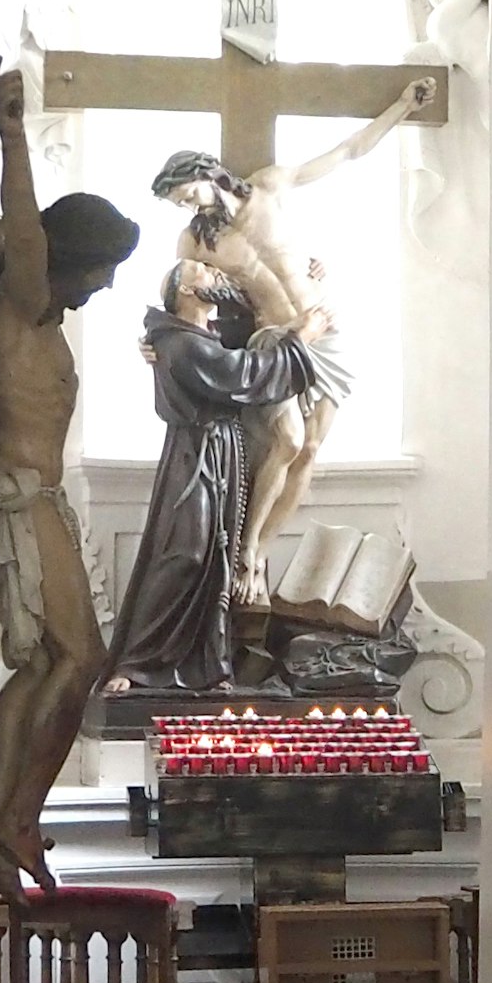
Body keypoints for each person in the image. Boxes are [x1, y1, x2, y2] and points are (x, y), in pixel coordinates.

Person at [0, 62, 140, 906]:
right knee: (76, 658)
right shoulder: (26, 294)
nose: (106, 287)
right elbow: (27, 244)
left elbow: (9, 240)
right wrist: (15, 128)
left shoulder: (28, 297)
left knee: (61, 665)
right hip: (16, 494)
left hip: (37, 496)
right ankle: (5, 819)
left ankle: (8, 818)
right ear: (73, 259)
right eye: (103, 269)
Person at [150, 74, 433, 599]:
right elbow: (177, 302)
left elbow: (347, 152)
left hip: (327, 329)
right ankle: (246, 547)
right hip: (274, 340)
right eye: (177, 204)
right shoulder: (193, 242)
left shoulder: (270, 188)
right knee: (286, 441)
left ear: (204, 174)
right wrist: (153, 346)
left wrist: (401, 107)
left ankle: (262, 552)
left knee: (312, 450)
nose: (185, 207)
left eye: (185, 194)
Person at [106, 259, 322, 691]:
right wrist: (300, 340)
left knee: (213, 558)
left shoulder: (198, 336)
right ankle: (137, 664)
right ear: (184, 291)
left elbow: (243, 346)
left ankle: (208, 664)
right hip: (195, 457)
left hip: (220, 452)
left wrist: (310, 280)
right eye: (200, 270)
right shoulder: (184, 344)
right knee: (183, 553)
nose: (212, 272)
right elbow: (240, 374)